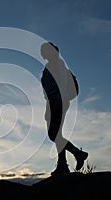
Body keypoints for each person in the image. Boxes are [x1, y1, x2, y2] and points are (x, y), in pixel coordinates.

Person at [40, 42, 88, 175]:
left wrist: (59, 99)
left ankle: (78, 154)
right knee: (57, 134)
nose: (41, 53)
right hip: (52, 103)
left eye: (43, 50)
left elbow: (62, 82)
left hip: (59, 101)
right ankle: (63, 165)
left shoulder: (58, 64)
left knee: (53, 134)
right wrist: (47, 106)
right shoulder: (49, 66)